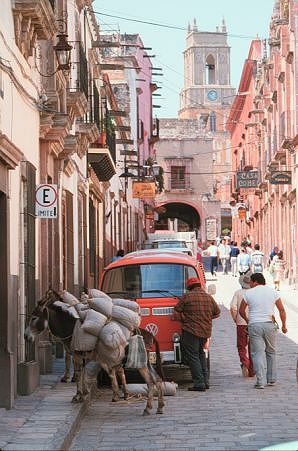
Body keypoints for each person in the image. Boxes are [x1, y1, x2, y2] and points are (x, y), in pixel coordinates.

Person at [239, 273, 287, 389]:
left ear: (255, 282)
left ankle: (260, 381)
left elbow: (241, 310)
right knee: (271, 352)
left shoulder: (248, 293)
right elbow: (282, 310)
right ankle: (271, 379)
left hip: (254, 325)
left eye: (250, 282)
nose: (249, 284)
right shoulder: (273, 292)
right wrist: (284, 325)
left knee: (257, 353)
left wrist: (248, 320)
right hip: (269, 324)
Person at [174, 277, 220, 391]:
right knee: (201, 354)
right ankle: (205, 381)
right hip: (205, 332)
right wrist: (207, 318)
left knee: (193, 356)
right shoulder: (208, 297)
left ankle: (199, 384)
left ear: (189, 287)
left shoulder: (187, 296)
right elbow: (217, 313)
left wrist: (184, 320)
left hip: (191, 331)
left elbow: (177, 310)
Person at [230, 272, 254, 377]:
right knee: (253, 347)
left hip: (241, 323)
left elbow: (233, 308)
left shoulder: (238, 293)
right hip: (254, 323)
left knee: (241, 345)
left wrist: (235, 318)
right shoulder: (255, 293)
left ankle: (245, 363)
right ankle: (252, 370)